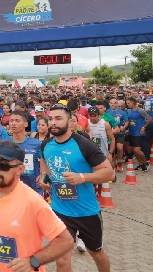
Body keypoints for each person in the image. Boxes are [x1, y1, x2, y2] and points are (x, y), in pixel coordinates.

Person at [0, 141, 74, 271]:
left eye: (3, 165)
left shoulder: (33, 201)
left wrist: (34, 261)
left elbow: (66, 240)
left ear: (20, 169)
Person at [40, 103, 115, 272]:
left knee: (96, 253)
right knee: (62, 258)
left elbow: (109, 173)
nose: (53, 123)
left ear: (70, 121)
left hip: (86, 211)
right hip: (60, 210)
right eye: (50, 119)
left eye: (59, 119)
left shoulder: (83, 144)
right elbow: (44, 161)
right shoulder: (46, 145)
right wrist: (44, 177)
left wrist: (82, 177)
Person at [8, 110, 44, 195]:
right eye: (11, 121)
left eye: (17, 121)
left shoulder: (36, 144)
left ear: (25, 124)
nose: (13, 123)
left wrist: (43, 174)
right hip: (12, 189)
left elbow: (44, 160)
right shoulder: (5, 144)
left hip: (33, 189)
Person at [125, 96, 151, 170]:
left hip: (138, 133)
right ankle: (141, 164)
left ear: (133, 103)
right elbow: (129, 121)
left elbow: (149, 119)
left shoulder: (140, 111)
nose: (127, 104)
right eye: (127, 103)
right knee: (133, 149)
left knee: (137, 150)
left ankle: (146, 162)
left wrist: (144, 127)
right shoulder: (128, 111)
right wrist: (127, 129)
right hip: (131, 133)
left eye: (128, 103)